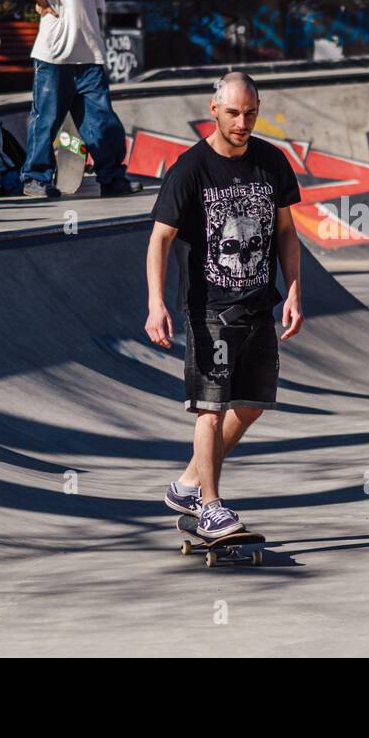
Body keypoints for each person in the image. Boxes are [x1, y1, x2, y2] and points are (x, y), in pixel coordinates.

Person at [145, 71, 303, 538]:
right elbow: (160, 239)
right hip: (209, 309)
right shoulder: (190, 169)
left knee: (251, 404)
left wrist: (293, 290)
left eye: (251, 113)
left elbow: (287, 232)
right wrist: (156, 302)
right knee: (210, 409)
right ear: (214, 110)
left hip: (258, 306)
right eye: (233, 113)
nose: (242, 122)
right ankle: (210, 505)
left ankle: (190, 483)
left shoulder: (271, 161)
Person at [0, 0, 142, 198]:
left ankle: (112, 178)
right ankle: (36, 179)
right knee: (46, 119)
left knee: (101, 122)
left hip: (89, 55)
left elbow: (92, 7)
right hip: (54, 56)